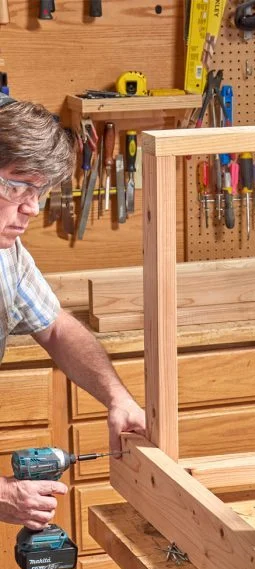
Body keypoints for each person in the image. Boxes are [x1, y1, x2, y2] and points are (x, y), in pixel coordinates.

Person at [0, 95, 146, 531]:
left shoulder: (7, 257)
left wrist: (118, 399)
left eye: (40, 191)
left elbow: (57, 327)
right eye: (16, 186)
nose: (31, 208)